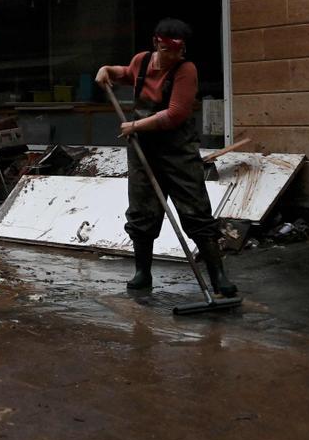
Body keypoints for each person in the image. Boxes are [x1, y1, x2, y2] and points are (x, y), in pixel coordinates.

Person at [94, 18, 237, 296]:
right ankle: (142, 273)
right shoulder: (143, 60)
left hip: (177, 150)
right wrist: (106, 70)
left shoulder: (186, 70)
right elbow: (125, 73)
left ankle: (218, 277)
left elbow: (175, 115)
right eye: (170, 51)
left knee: (196, 211)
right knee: (142, 212)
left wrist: (135, 126)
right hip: (143, 149)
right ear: (157, 44)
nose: (175, 56)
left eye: (180, 51)